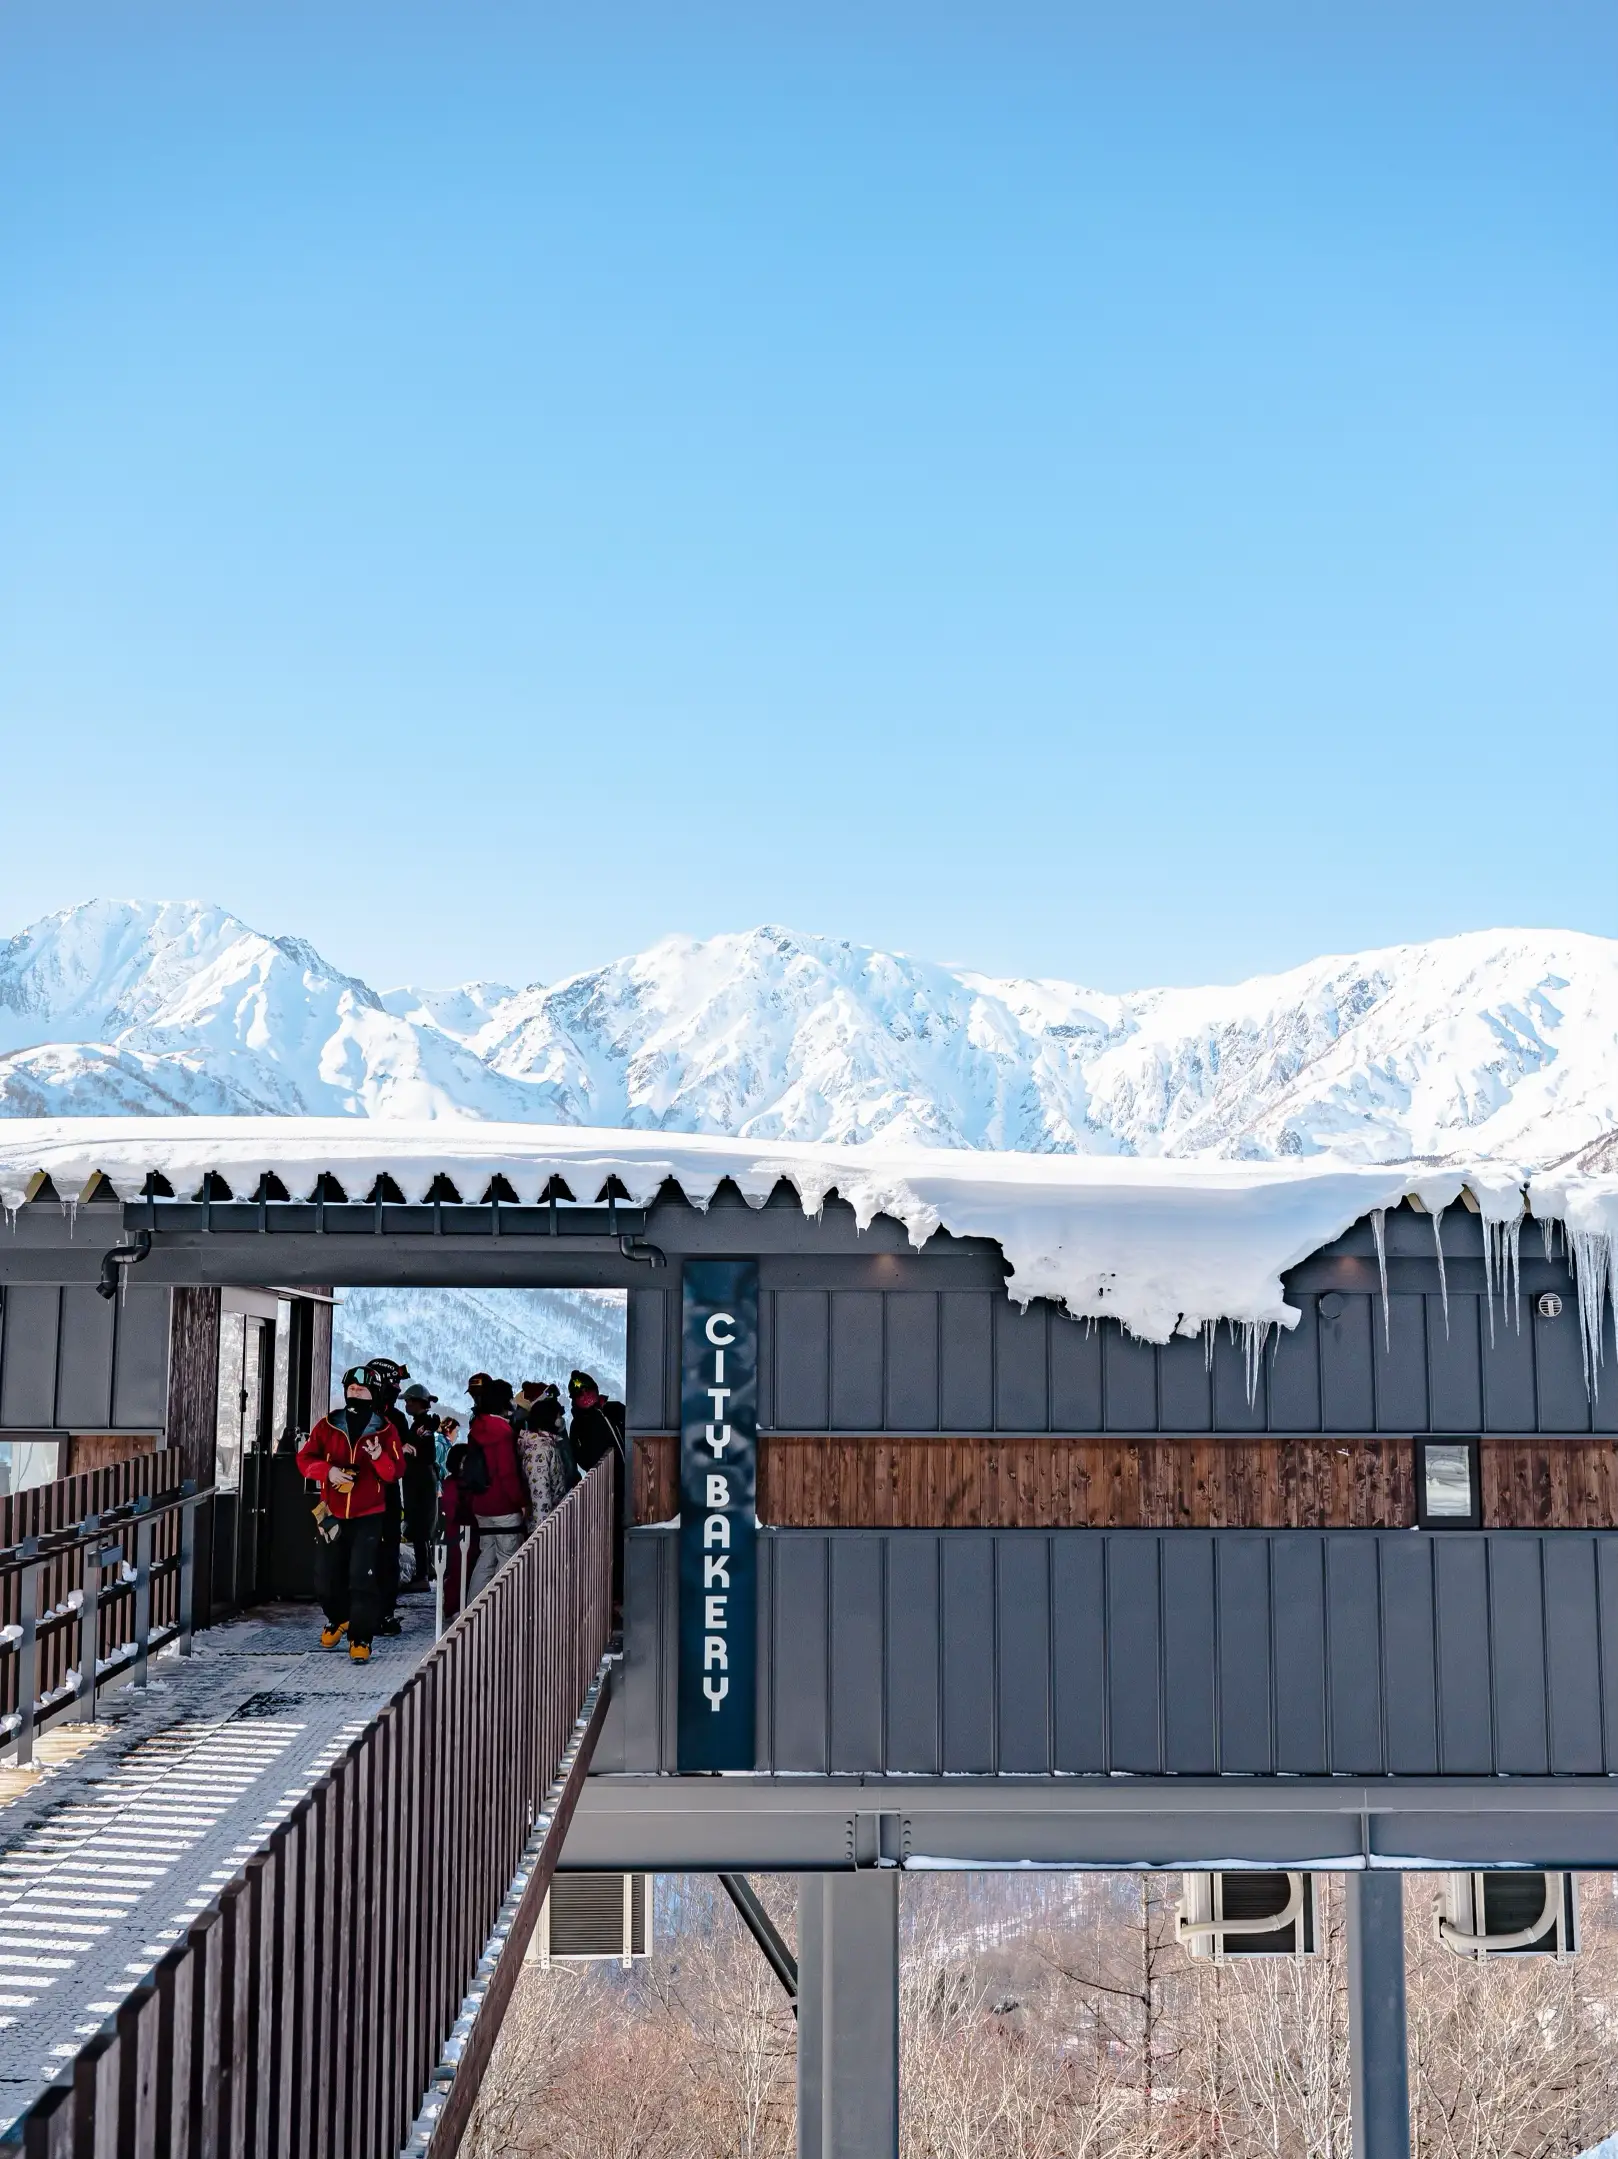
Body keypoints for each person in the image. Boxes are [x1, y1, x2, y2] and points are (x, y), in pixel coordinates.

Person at [297, 1365, 406, 1661]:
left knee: (362, 1576)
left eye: (362, 1389)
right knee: (326, 1577)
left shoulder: (385, 1429)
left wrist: (378, 1456)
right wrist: (328, 1471)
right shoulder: (328, 1424)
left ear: (373, 1394)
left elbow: (395, 1472)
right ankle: (338, 1618)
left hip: (369, 1513)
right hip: (331, 1512)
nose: (355, 1392)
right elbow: (304, 1458)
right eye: (351, 1388)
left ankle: (361, 1637)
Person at [463, 1374, 530, 1601]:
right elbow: (507, 1473)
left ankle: (472, 1610)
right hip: (503, 1506)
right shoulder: (502, 1432)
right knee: (508, 1562)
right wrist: (521, 1502)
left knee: (486, 1558)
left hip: (481, 1505)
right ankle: (504, 1614)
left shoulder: (477, 1428)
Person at [568, 1370, 627, 1607]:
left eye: (588, 1391)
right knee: (615, 1538)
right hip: (608, 1488)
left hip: (635, 1481)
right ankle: (616, 1590)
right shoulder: (579, 1425)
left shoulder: (615, 1410)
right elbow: (580, 1457)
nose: (585, 1397)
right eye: (579, 1394)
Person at [362, 1357, 411, 1635]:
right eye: (393, 1384)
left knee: (369, 1555)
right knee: (381, 1556)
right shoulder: (393, 1420)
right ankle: (380, 1613)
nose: (396, 1389)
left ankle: (370, 1613)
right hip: (383, 1497)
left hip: (365, 1499)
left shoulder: (354, 1417)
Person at [400, 1382, 442, 1588]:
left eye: (409, 1401)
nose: (406, 1404)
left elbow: (424, 1454)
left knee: (419, 1528)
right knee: (423, 1528)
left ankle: (422, 1575)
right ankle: (426, 1570)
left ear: (419, 1403)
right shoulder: (422, 1424)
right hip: (421, 1480)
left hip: (419, 1482)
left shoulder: (422, 1426)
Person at [517, 1382, 573, 1523]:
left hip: (554, 1522)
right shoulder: (539, 1453)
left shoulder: (548, 1444)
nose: (560, 1419)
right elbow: (540, 1500)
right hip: (547, 1530)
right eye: (558, 1415)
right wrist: (544, 1535)